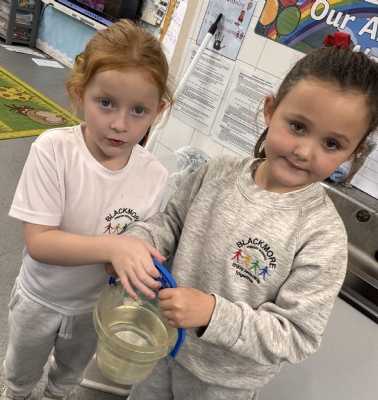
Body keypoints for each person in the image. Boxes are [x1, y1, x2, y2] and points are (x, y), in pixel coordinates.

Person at [109, 44, 378, 400]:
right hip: (162, 341)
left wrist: (213, 314)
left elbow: (296, 335)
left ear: (355, 152)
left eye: (331, 144)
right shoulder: (217, 172)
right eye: (297, 126)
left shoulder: (322, 236)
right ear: (270, 110)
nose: (304, 151)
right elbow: (170, 223)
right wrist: (136, 243)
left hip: (223, 383)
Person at [2, 19, 173, 400]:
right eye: (106, 103)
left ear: (158, 111)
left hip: (94, 308)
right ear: (80, 94)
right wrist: (114, 247)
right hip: (39, 299)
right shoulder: (54, 151)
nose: (120, 124)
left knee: (68, 376)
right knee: (21, 373)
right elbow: (40, 243)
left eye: (139, 110)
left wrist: (131, 264)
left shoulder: (154, 174)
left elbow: (132, 245)